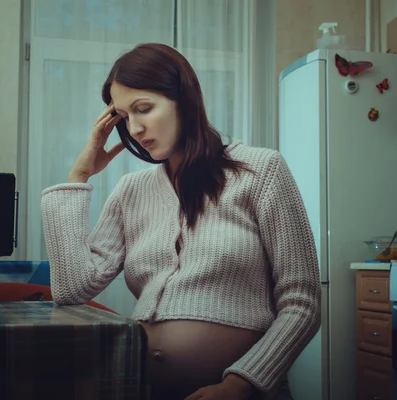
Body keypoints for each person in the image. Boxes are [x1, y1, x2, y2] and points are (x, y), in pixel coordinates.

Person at [41, 43, 321, 400]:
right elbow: (71, 290)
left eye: (144, 109)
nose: (135, 128)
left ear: (185, 100)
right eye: (124, 117)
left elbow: (303, 303)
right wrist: (78, 175)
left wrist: (241, 384)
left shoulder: (261, 170)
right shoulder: (131, 190)